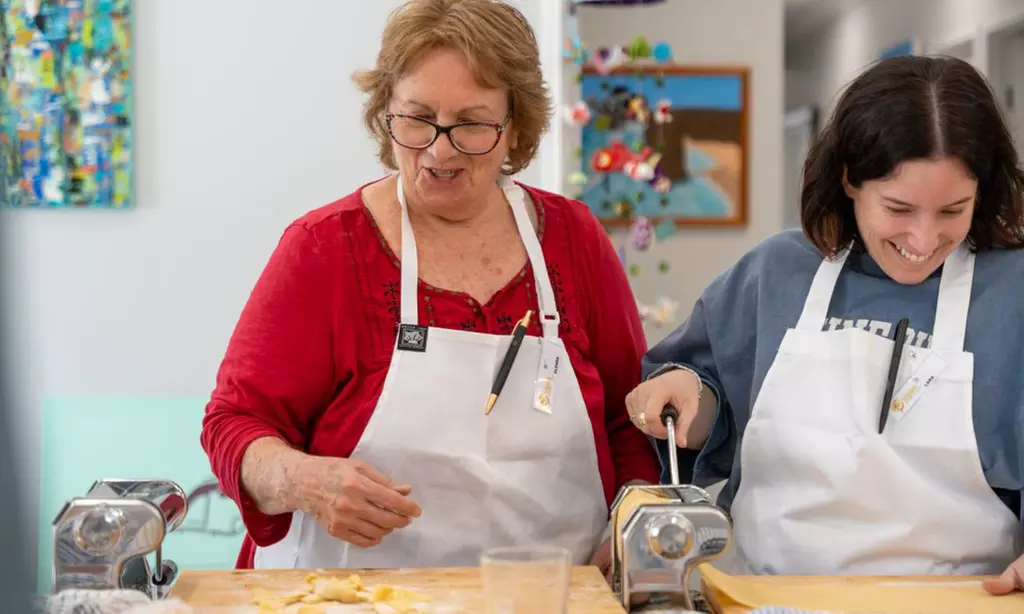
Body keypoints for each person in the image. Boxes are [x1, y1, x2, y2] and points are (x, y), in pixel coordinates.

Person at [200, 0, 660, 573]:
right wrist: (303, 480)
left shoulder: (575, 241)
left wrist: (628, 528)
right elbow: (233, 424)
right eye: (417, 118)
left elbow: (632, 423)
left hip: (547, 596)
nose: (440, 151)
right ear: (384, 112)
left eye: (471, 124)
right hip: (348, 598)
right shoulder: (324, 247)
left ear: (515, 126)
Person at [626, 55, 1024, 593]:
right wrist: (686, 397)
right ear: (850, 180)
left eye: (953, 211)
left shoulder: (1011, 293)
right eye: (899, 208)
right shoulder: (776, 272)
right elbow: (707, 408)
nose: (924, 240)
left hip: (960, 603)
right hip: (764, 598)